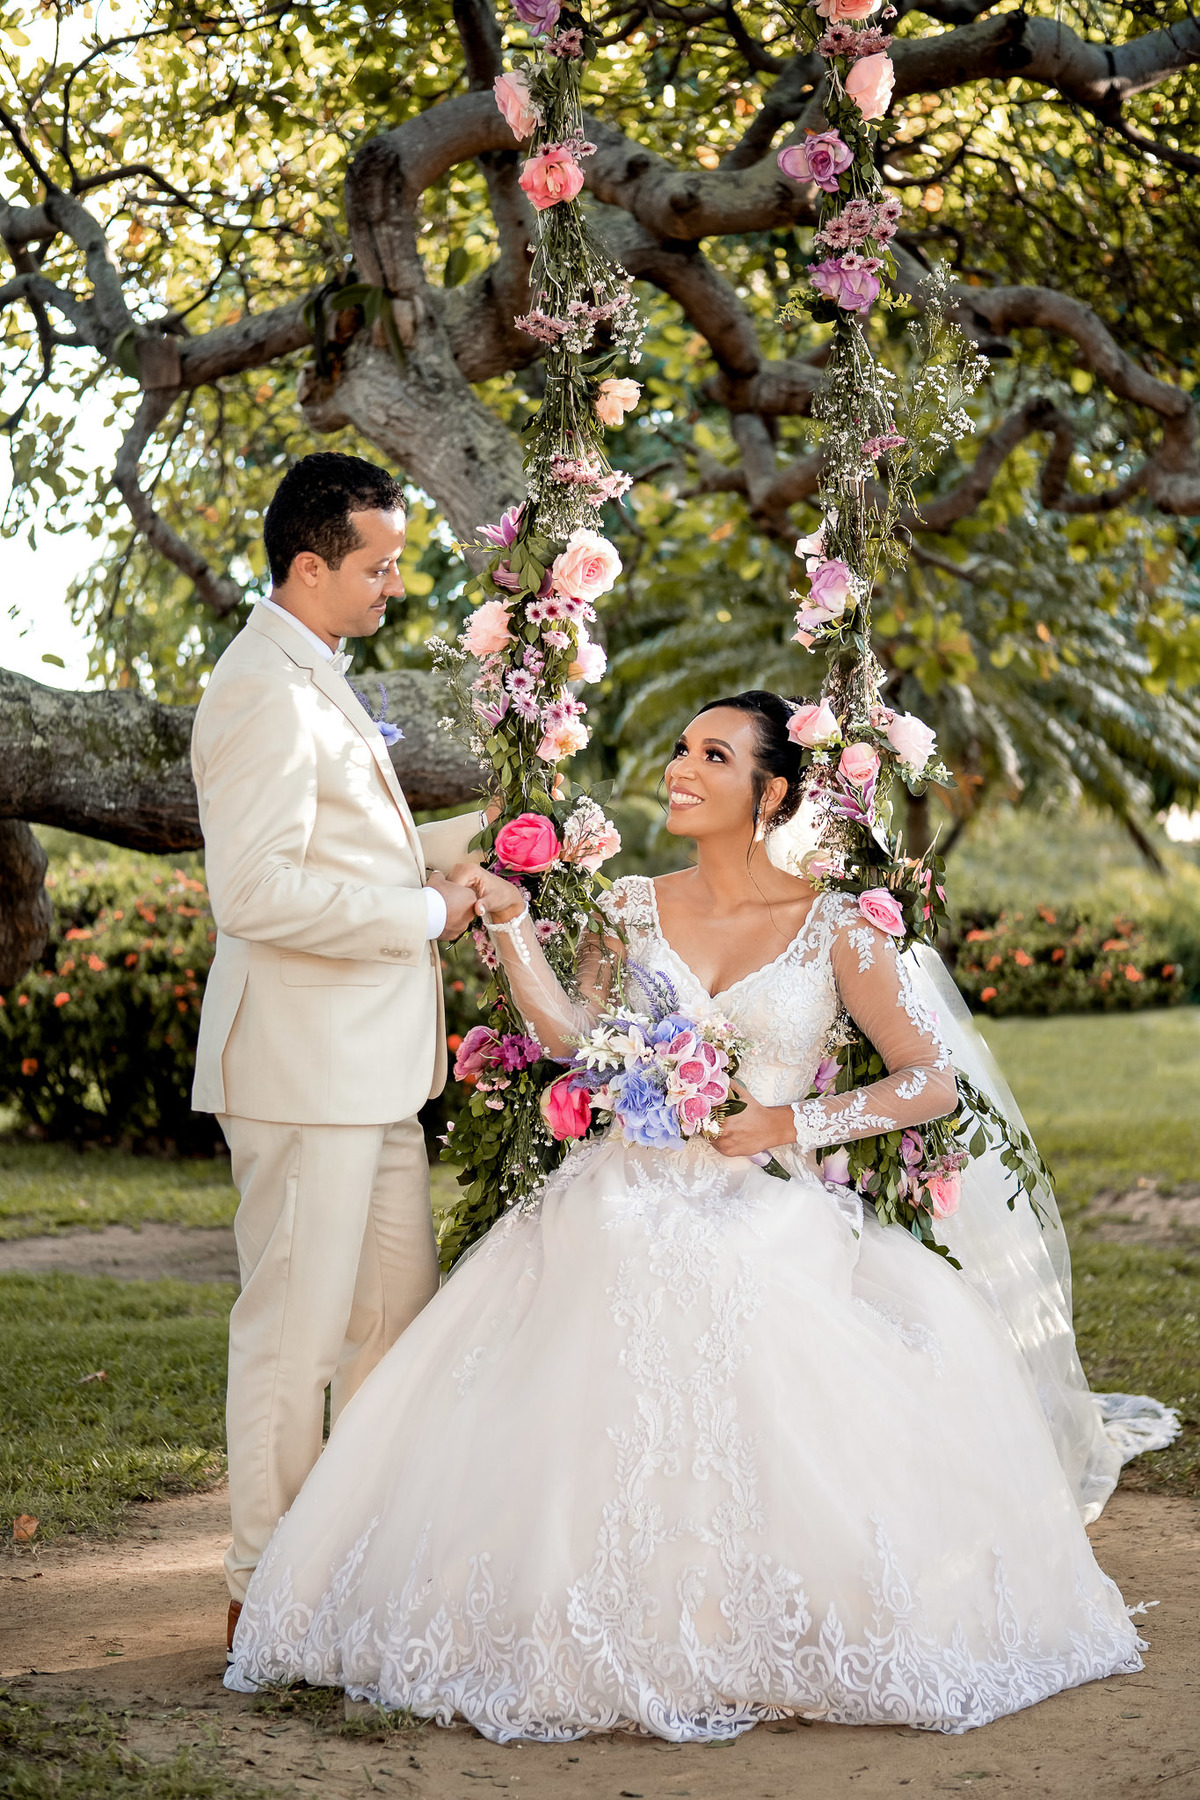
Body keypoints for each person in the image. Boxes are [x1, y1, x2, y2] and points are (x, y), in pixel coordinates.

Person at [224, 688, 1157, 1739]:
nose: (678, 767)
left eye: (712, 756)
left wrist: (788, 1123)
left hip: (761, 1204)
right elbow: (577, 1037)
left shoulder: (838, 928)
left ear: (770, 795)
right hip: (619, 1195)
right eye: (679, 748)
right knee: (610, 1261)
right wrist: (516, 923)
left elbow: (930, 1080)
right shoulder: (632, 906)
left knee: (741, 1294)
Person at [191, 451, 489, 1653]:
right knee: (294, 1338)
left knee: (389, 1324)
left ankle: (345, 1565)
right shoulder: (260, 687)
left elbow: (346, 850)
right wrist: (424, 917)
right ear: (311, 566)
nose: (394, 585)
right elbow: (255, 890)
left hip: (372, 1075)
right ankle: (264, 1589)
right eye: (380, 565)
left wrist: (496, 838)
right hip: (306, 1070)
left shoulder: (315, 672)